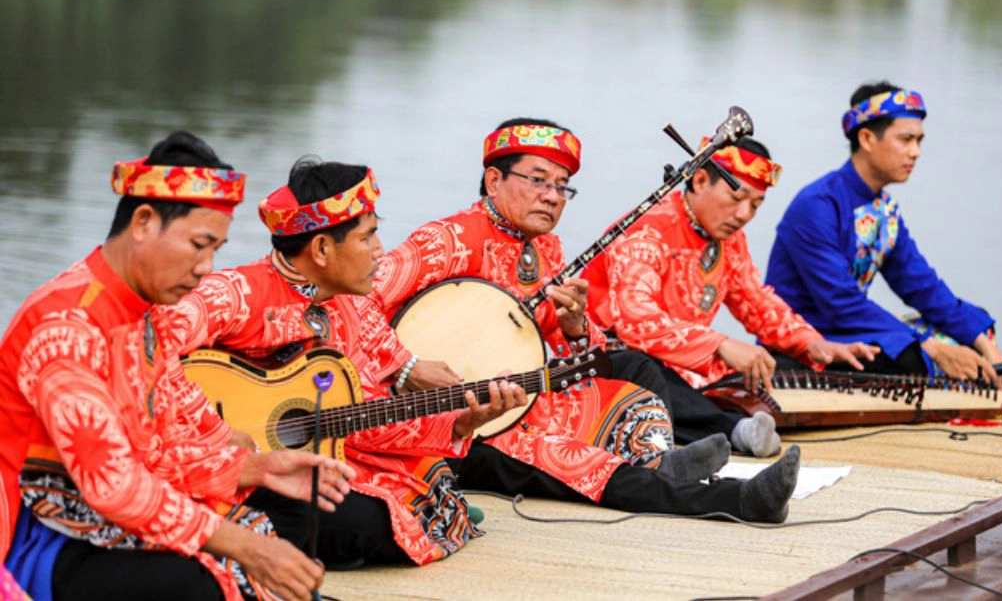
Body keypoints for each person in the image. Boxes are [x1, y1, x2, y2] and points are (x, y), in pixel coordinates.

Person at [371, 118, 801, 524]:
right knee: (576, 462)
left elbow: (572, 352)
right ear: (494, 180)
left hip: (529, 398)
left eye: (562, 186)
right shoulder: (449, 239)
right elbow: (356, 308)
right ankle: (735, 500)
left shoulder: (548, 250)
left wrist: (574, 326)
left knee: (634, 388)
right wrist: (408, 367)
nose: (553, 196)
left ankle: (660, 463)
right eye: (538, 180)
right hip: (461, 425)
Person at [0, 133, 354, 601]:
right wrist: (246, 547)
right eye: (198, 245)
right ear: (143, 222)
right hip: (40, 530)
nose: (207, 267)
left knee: (285, 515)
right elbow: (114, 484)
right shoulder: (67, 326)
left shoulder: (147, 317)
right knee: (198, 582)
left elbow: (158, 454)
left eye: (216, 250)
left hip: (98, 513)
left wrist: (256, 469)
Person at [160, 157, 528, 570]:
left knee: (428, 479)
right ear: (320, 249)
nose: (380, 251)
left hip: (314, 451)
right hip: (211, 460)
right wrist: (217, 430)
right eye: (367, 237)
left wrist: (460, 422)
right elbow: (149, 344)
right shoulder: (237, 294)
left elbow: (365, 413)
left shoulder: (350, 305)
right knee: (368, 521)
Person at [584, 136, 877, 457]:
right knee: (644, 375)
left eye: (756, 204)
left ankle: (733, 418)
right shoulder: (647, 229)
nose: (744, 213)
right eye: (737, 197)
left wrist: (812, 342)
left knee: (775, 363)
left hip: (689, 366)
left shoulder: (730, 240)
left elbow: (756, 303)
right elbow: (635, 320)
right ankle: (733, 429)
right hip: (612, 360)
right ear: (699, 180)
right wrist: (721, 344)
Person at [765, 81, 1002, 387]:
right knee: (916, 355)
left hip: (850, 327)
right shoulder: (817, 206)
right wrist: (932, 346)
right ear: (868, 138)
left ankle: (985, 368)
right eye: (906, 139)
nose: (916, 152)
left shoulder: (884, 210)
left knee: (972, 325)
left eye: (919, 141)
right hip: (813, 338)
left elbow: (922, 286)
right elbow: (841, 304)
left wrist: (986, 346)